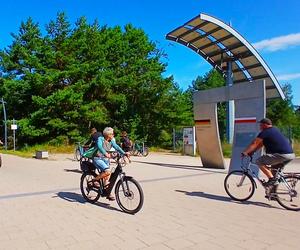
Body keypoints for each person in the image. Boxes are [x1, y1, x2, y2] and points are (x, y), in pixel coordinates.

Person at [242, 118, 295, 187]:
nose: (259, 126)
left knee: (259, 161)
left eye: (260, 125)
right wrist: (252, 151)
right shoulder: (275, 130)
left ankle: (271, 179)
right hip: (290, 155)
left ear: (265, 125)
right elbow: (260, 144)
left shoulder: (265, 132)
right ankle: (273, 194)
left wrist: (245, 152)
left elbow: (254, 143)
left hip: (281, 155)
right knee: (274, 173)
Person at [92, 127, 129, 200]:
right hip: (97, 158)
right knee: (107, 172)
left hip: (105, 159)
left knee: (108, 177)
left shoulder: (111, 140)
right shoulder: (100, 139)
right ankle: (94, 181)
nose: (113, 135)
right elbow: (99, 146)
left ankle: (107, 192)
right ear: (108, 134)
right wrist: (105, 153)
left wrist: (124, 153)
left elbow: (116, 147)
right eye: (112, 133)